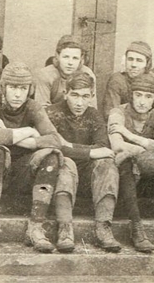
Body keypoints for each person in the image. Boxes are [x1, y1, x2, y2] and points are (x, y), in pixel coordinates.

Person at [0, 62, 65, 253]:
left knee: (51, 157)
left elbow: (55, 139)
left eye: (23, 88)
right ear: (3, 88)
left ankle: (35, 227)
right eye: (13, 88)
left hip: (22, 173)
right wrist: (29, 132)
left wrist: (12, 134)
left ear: (29, 90)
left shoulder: (32, 107)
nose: (18, 94)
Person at [106, 73, 154, 253]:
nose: (142, 101)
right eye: (138, 95)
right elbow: (117, 145)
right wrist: (148, 150)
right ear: (131, 95)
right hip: (125, 178)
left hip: (150, 175)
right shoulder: (118, 112)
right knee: (125, 160)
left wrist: (132, 137)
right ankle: (136, 228)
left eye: (148, 97)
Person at [46, 72, 123, 253]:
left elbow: (104, 147)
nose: (80, 103)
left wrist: (71, 146)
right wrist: (89, 151)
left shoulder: (94, 115)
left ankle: (103, 226)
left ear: (91, 96)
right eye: (75, 95)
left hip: (89, 179)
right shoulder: (52, 113)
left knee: (107, 164)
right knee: (66, 163)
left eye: (85, 96)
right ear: (66, 93)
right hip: (60, 175)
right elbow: (56, 146)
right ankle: (65, 227)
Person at [101, 41, 154, 116]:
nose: (133, 65)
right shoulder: (117, 80)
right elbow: (111, 113)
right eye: (130, 59)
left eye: (139, 60)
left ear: (147, 63)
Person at [32, 34, 98, 107]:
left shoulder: (87, 74)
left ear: (81, 59)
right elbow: (42, 108)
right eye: (66, 57)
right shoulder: (46, 74)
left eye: (75, 58)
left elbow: (91, 107)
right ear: (57, 56)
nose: (70, 63)